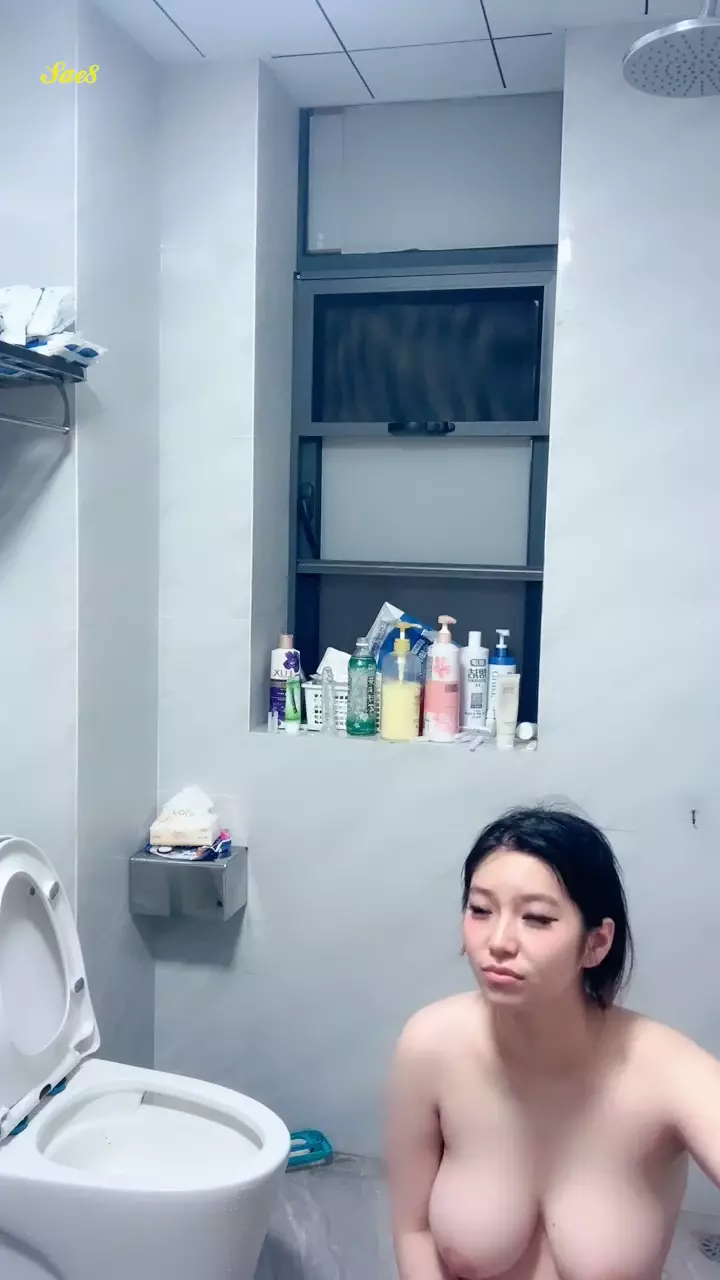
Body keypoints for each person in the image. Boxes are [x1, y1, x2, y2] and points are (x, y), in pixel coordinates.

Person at [388, 806, 720, 1280]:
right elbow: (413, 1229)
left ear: (596, 943)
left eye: (538, 918)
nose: (499, 941)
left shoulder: (670, 1073)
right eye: (480, 910)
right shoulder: (431, 1044)